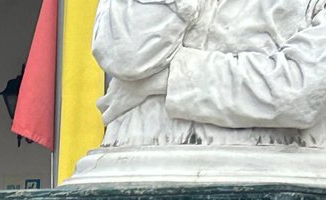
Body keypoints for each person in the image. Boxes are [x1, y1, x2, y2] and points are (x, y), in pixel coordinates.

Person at [93, 0, 326, 148]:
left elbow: (298, 93)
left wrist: (165, 80)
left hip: (263, 173)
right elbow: (127, 54)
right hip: (135, 164)